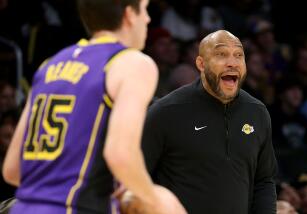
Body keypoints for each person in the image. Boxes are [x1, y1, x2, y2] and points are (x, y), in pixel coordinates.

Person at [2, 0, 186, 213]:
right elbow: (121, 155)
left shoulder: (49, 65)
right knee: (165, 200)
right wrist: (155, 200)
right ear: (128, 14)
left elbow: (12, 170)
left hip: (24, 208)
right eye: (144, 10)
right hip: (74, 208)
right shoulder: (131, 62)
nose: (147, 19)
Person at [141, 30, 278, 213]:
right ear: (201, 63)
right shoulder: (165, 112)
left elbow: (264, 180)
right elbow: (137, 178)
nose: (232, 63)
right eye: (221, 55)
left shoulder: (257, 112)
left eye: (239, 55)